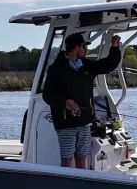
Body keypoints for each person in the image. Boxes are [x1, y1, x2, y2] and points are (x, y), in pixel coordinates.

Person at [42, 32, 121, 169]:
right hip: (66, 123)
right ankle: (66, 188)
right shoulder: (55, 69)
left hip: (85, 121)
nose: (86, 50)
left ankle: (80, 187)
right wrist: (65, 102)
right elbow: (47, 95)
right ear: (77, 47)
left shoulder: (86, 65)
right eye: (84, 46)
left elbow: (107, 65)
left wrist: (114, 48)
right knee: (66, 160)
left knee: (82, 158)